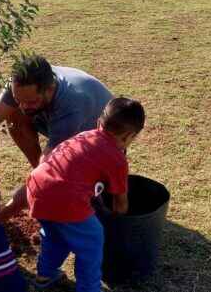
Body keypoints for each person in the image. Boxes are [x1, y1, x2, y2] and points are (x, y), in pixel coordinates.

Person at [0, 54, 114, 221]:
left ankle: (52, 188)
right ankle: (45, 182)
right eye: (18, 99)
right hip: (59, 125)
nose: (23, 106)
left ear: (49, 89)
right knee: (13, 114)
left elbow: (47, 168)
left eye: (31, 102)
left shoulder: (71, 105)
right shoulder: (20, 85)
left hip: (99, 144)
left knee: (51, 177)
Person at [25, 97, 145, 291]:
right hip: (65, 200)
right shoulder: (117, 158)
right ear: (129, 136)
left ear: (99, 122)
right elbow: (120, 202)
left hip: (37, 189)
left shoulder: (85, 135)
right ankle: (89, 288)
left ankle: (44, 276)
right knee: (92, 242)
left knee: (55, 235)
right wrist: (121, 224)